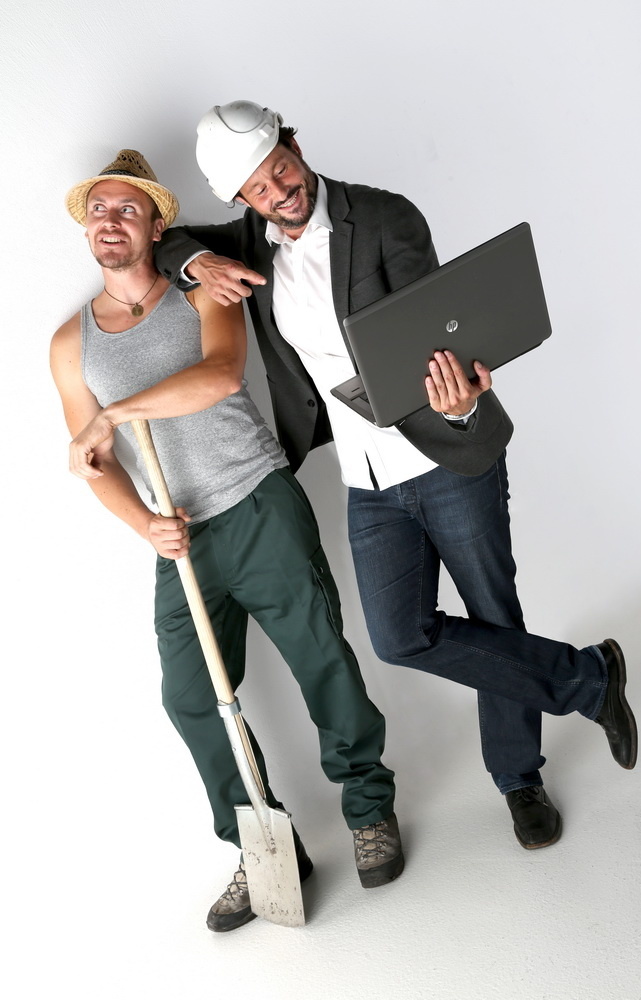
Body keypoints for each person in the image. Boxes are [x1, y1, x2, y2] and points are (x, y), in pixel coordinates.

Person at [154, 101, 638, 851]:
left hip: (444, 454)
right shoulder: (248, 242)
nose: (279, 190)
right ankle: (588, 678)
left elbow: (438, 329)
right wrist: (198, 264)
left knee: (491, 612)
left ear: (295, 143)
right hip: (367, 479)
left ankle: (519, 779)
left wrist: (456, 398)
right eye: (257, 188)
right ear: (242, 199)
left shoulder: (384, 217)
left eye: (281, 168)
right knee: (399, 636)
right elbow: (164, 241)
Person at [50, 149, 405, 934]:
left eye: (128, 209)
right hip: (180, 537)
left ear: (157, 225)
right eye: (99, 210)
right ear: (87, 227)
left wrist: (115, 413)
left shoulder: (203, 289)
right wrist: (144, 523)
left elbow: (218, 375)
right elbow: (94, 460)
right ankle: (261, 845)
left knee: (321, 659)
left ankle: (368, 810)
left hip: (256, 502)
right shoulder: (70, 344)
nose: (111, 221)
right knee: (189, 697)